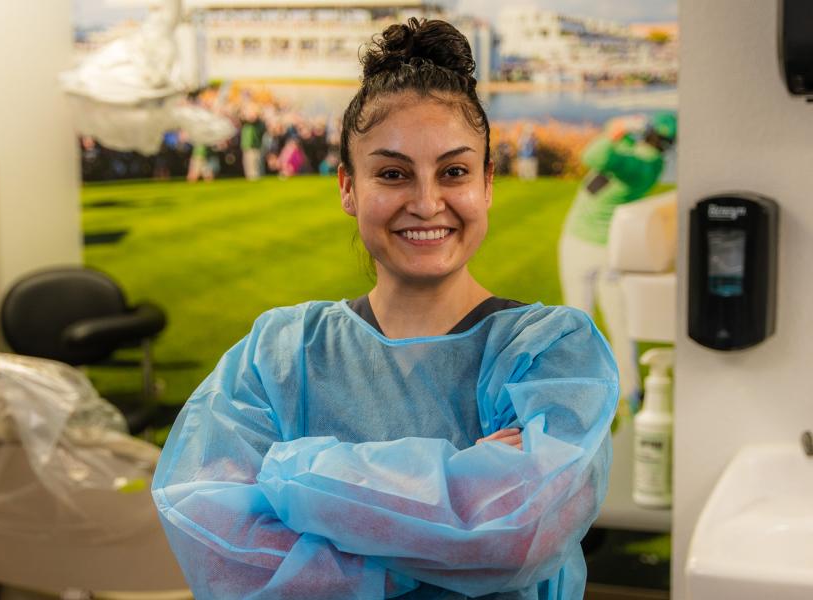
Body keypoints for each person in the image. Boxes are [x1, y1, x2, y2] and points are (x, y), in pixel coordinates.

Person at [153, 18, 618, 600]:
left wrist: (289, 473)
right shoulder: (280, 352)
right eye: (393, 174)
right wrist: (455, 491)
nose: (427, 203)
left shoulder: (551, 354)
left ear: (487, 183)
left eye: (453, 172)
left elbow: (517, 537)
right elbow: (226, 556)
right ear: (348, 186)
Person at [559, 112, 677, 408]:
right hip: (610, 250)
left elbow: (593, 154)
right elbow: (616, 155)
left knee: (577, 321)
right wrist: (623, 136)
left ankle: (576, 395)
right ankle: (630, 393)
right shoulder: (650, 162)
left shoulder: (639, 164)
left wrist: (616, 129)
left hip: (581, 245)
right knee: (619, 321)